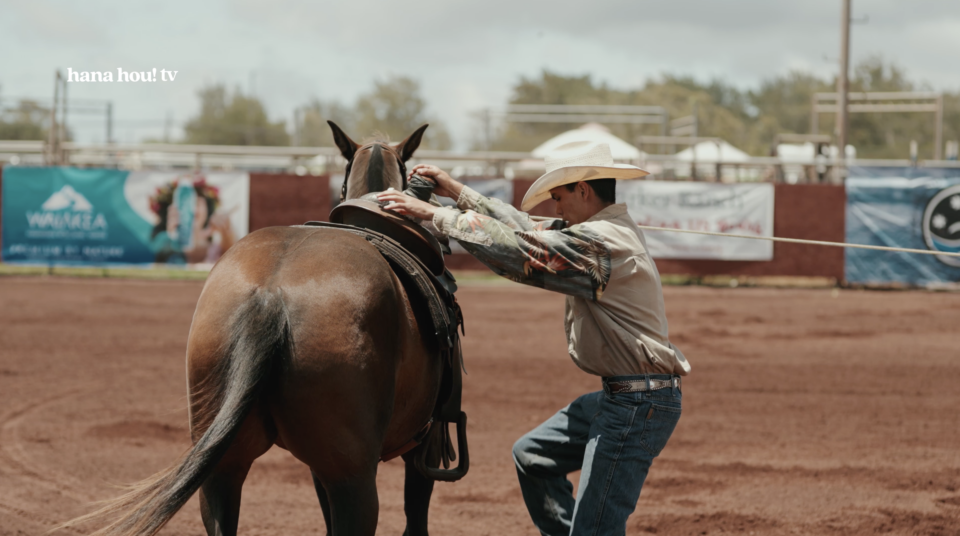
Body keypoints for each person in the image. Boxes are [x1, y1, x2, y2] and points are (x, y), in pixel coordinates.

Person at [377, 140, 691, 536]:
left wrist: (435, 215)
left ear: (583, 189)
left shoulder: (601, 242)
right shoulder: (599, 230)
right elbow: (525, 227)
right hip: (629, 397)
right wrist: (455, 189)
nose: (555, 208)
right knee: (533, 456)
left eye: (558, 197)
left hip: (636, 404)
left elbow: (521, 252)